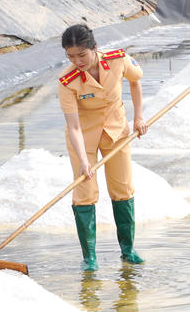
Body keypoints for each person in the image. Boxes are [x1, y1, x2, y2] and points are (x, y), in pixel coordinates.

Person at [59, 24, 148, 271]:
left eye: (82, 55)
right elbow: (74, 127)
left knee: (122, 187)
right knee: (85, 191)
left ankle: (128, 250)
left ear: (94, 49)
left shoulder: (118, 60)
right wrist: (83, 161)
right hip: (83, 137)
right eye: (70, 56)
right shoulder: (67, 81)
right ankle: (90, 258)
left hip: (116, 131)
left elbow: (136, 82)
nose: (77, 61)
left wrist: (138, 118)